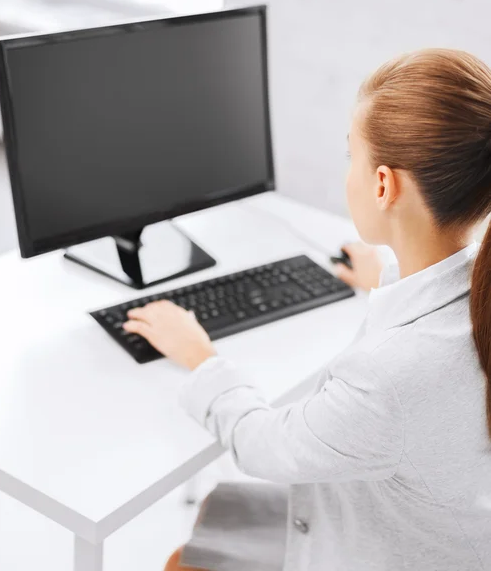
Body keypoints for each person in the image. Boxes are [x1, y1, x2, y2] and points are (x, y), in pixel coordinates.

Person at [123, 49, 491, 571]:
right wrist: (386, 277)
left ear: (383, 184)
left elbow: (265, 448)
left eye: (352, 157)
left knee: (186, 558)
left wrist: (201, 358)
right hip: (447, 538)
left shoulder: (392, 374)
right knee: (218, 511)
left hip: (386, 552)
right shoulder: (478, 293)